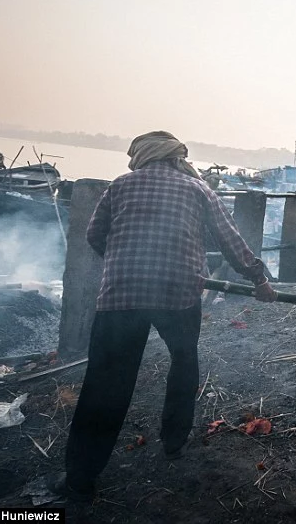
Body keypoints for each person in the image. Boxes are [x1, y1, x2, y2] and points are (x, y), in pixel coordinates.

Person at [55, 131, 275, 502]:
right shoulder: (197, 189)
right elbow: (230, 239)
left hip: (121, 295)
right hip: (179, 293)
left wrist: (124, 261)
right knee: (184, 360)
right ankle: (174, 443)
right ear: (176, 157)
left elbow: (94, 235)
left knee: (106, 382)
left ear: (140, 158)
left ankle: (80, 479)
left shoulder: (120, 186)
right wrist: (258, 277)